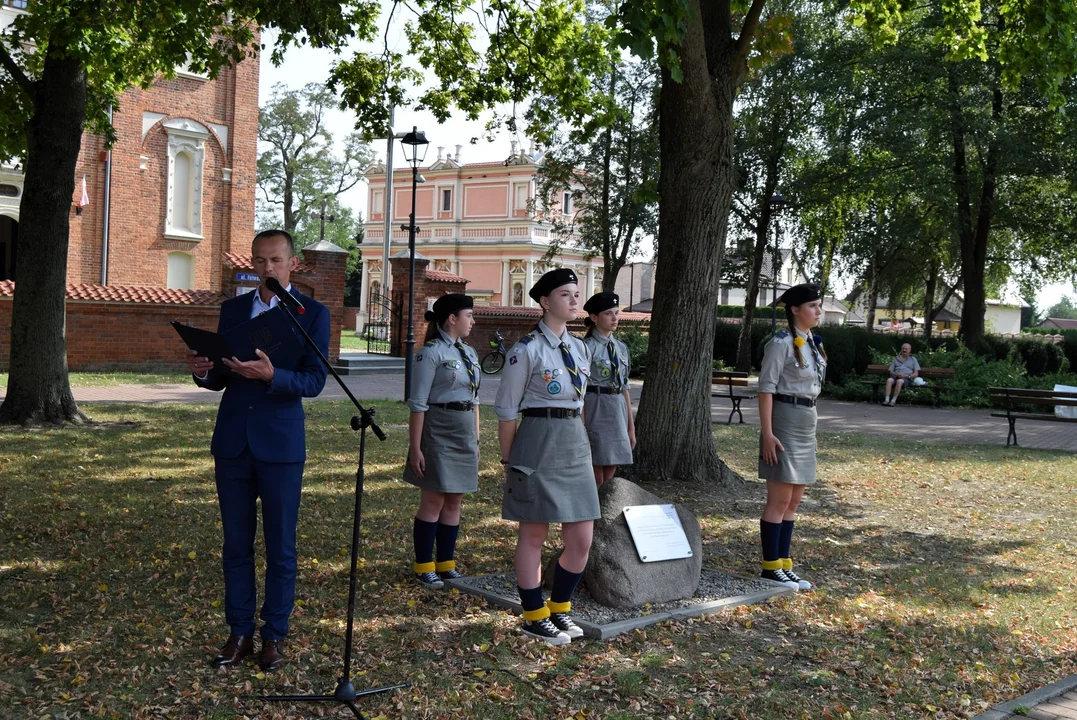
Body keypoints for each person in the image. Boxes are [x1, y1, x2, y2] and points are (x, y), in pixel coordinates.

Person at [184, 229, 329, 671]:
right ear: (252, 262)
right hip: (233, 442)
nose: (267, 268)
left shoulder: (312, 313)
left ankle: (274, 635)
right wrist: (203, 372)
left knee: (281, 545)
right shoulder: (233, 310)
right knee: (236, 544)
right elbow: (223, 376)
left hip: (281, 445)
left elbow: (314, 381)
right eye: (260, 260)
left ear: (291, 264)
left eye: (276, 260)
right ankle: (240, 631)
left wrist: (272, 377)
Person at [494, 268, 598, 645]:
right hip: (537, 439)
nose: (575, 300)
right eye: (566, 294)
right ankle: (534, 615)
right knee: (534, 531)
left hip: (573, 441)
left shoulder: (580, 347)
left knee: (581, 537)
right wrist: (509, 461)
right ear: (545, 301)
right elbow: (506, 411)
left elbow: (580, 403)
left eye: (576, 293)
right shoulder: (526, 350)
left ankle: (560, 608)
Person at [404, 293, 481, 590]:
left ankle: (446, 563)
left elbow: (474, 401)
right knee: (434, 498)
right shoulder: (430, 353)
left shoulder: (470, 353)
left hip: (463, 431)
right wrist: (416, 447)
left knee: (455, 498)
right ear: (452, 318)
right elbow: (418, 403)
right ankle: (424, 565)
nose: (472, 321)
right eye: (469, 315)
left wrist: (475, 438)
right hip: (438, 428)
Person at [757, 283, 826, 593]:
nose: (819, 310)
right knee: (780, 498)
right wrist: (768, 433)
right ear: (795, 309)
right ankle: (770, 567)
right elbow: (766, 389)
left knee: (795, 500)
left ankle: (784, 564)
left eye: (819, 305)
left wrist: (813, 432)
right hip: (783, 420)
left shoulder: (813, 343)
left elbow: (813, 390)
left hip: (805, 420)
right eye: (812, 306)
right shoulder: (781, 343)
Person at [581, 291, 635, 487]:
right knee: (595, 462)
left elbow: (625, 386)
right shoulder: (586, 347)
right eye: (608, 314)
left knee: (612, 462)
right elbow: (580, 387)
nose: (614, 318)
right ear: (594, 318)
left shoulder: (620, 348)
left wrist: (631, 426)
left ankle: (605, 507)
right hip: (595, 406)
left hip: (617, 407)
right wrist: (582, 422)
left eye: (616, 313)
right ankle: (596, 510)